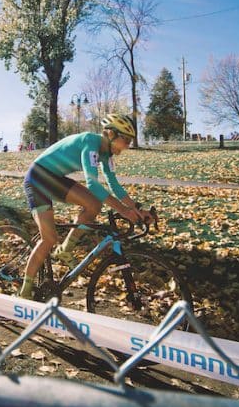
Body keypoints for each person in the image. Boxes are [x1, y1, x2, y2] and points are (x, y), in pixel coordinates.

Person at [17, 113, 154, 300]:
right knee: (48, 239)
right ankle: (24, 290)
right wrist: (123, 210)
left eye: (130, 141)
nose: (128, 145)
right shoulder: (91, 143)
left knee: (94, 205)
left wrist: (136, 208)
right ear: (110, 134)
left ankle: (65, 250)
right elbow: (93, 184)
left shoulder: (107, 154)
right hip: (37, 178)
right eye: (126, 140)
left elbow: (113, 184)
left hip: (54, 178)